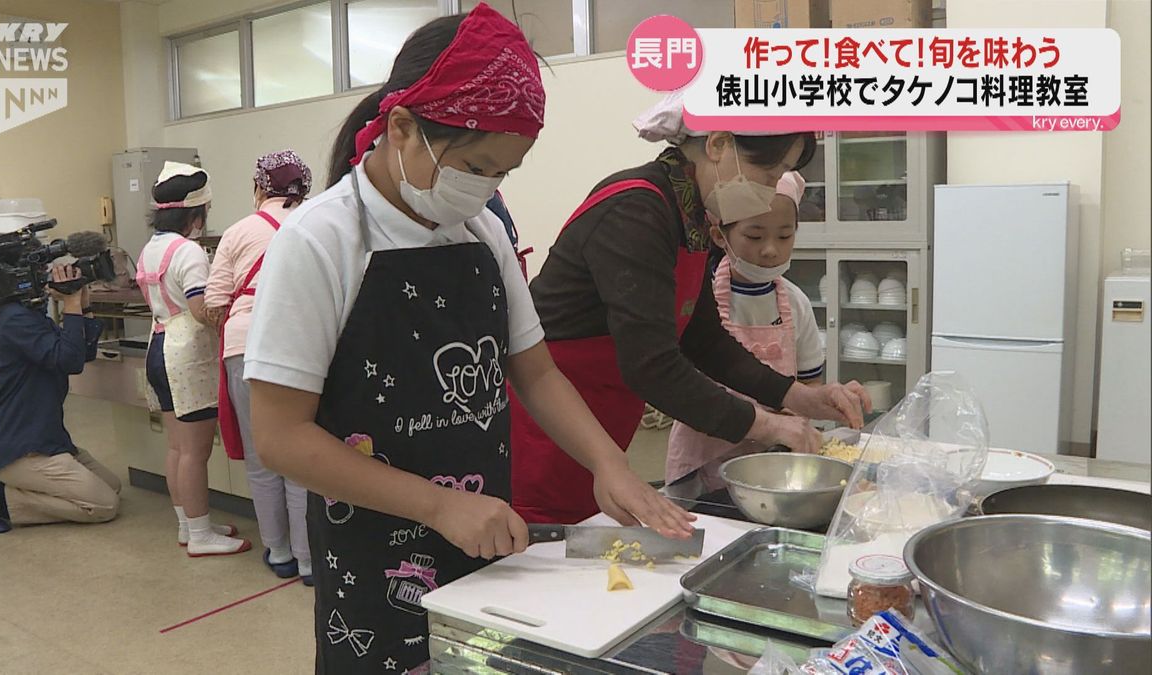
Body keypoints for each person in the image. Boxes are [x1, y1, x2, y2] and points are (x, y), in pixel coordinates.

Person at [243, 6, 693, 672]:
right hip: (374, 552)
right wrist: (438, 504)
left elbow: (535, 373)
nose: (486, 188)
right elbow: (281, 435)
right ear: (402, 129)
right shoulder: (321, 242)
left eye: (503, 173)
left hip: (486, 534)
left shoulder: (481, 233)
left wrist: (609, 464)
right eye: (477, 164)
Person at [512, 93, 870, 525]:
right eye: (769, 171)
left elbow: (703, 339)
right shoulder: (636, 210)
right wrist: (768, 425)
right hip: (552, 425)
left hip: (604, 419)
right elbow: (653, 366)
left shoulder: (692, 215)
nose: (770, 188)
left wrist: (800, 397)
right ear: (718, 145)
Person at [664, 171, 828, 497]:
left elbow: (810, 383)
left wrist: (795, 413)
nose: (770, 250)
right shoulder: (697, 297)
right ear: (718, 235)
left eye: (784, 236)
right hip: (701, 466)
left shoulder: (795, 302)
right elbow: (676, 385)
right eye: (754, 236)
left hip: (771, 465)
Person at [206, 150, 313, 582]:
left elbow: (214, 303)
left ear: (259, 188)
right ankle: (310, 561)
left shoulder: (237, 232)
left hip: (244, 349)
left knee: (261, 455)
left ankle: (280, 553)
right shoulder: (317, 225)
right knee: (306, 457)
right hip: (304, 350)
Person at [137, 162, 249, 557]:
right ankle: (202, 535)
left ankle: (189, 524)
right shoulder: (189, 252)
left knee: (176, 447)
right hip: (186, 357)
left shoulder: (151, 247)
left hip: (158, 346)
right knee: (196, 451)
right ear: (195, 213)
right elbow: (202, 310)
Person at [0, 265, 120, 533]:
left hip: (48, 439)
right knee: (104, 506)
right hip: (22, 446)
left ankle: (8, 493)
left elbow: (82, 354)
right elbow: (68, 360)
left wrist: (83, 305)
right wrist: (69, 302)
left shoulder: (32, 316)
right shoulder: (15, 320)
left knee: (112, 486)